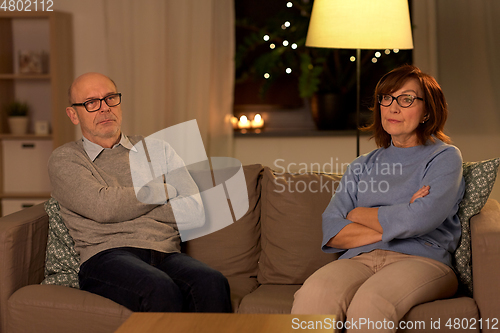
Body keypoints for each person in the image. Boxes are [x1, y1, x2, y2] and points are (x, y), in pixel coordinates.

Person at [291, 65, 465, 331]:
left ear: (427, 110)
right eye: (386, 98)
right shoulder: (362, 164)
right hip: (358, 259)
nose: (393, 107)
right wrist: (403, 213)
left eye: (406, 99)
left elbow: (421, 219)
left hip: (423, 260)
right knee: (311, 295)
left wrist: (358, 215)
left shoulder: (444, 157)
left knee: (369, 304)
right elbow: (333, 230)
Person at [48, 72, 232, 313]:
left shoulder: (158, 150)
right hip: (106, 256)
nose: (104, 109)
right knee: (158, 287)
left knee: (212, 282)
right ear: (73, 114)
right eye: (91, 103)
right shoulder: (66, 159)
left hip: (165, 252)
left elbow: (194, 212)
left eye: (110, 98)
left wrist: (124, 204)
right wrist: (163, 190)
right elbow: (102, 207)